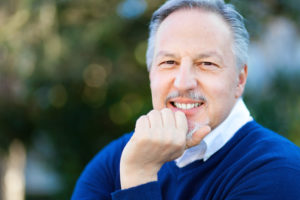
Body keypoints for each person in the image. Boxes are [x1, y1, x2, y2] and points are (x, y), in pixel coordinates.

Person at [72, 0, 300, 199]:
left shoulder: (279, 171)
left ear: (239, 80)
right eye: (169, 62)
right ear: (151, 74)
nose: (183, 82)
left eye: (207, 64)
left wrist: (139, 177)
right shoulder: (117, 159)